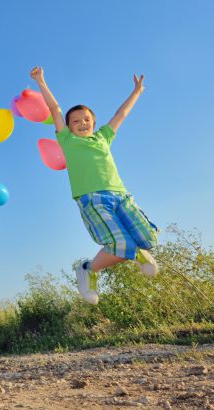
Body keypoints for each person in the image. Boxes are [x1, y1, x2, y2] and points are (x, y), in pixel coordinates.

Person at [30, 66, 159, 305]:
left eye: (86, 119)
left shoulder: (103, 137)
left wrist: (137, 92)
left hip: (122, 196)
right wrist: (41, 81)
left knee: (148, 237)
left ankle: (139, 252)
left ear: (94, 122)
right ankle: (89, 269)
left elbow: (121, 114)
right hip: (92, 198)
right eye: (75, 121)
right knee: (119, 243)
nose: (82, 123)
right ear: (67, 127)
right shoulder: (67, 140)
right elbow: (55, 109)